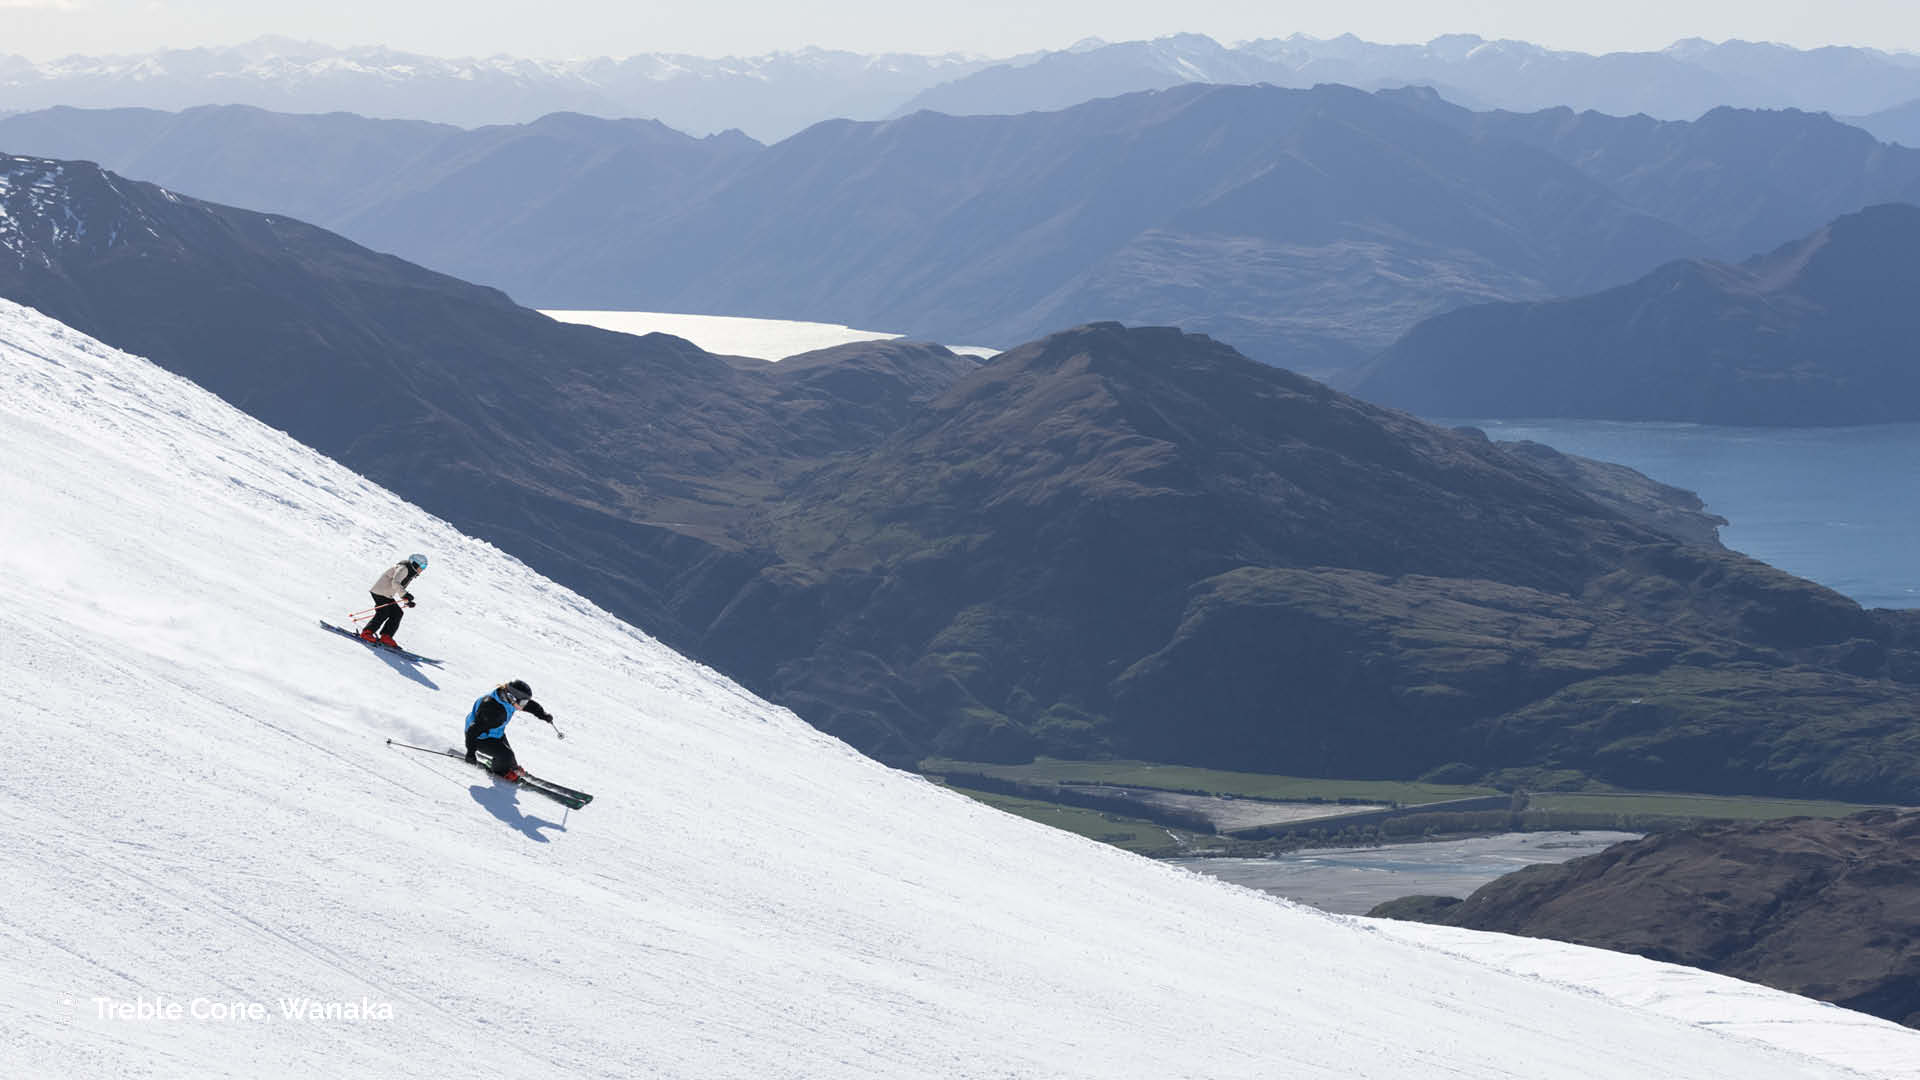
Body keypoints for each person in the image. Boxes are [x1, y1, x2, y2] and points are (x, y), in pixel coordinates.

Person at [464, 679, 555, 781]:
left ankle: (510, 766)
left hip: (496, 732)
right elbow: (472, 731)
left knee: (508, 754)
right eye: (523, 702)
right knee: (506, 755)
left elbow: (530, 705)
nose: (524, 705)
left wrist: (543, 715)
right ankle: (500, 772)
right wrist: (470, 753)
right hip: (479, 738)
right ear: (511, 697)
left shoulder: (509, 700)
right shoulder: (492, 710)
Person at [360, 553, 427, 648]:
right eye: (423, 566)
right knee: (383, 612)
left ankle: (386, 636)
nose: (423, 569)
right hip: (380, 591)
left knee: (397, 613)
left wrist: (407, 600)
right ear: (416, 564)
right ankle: (367, 633)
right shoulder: (404, 568)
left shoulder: (410, 573)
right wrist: (405, 594)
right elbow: (395, 582)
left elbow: (399, 588)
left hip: (386, 594)